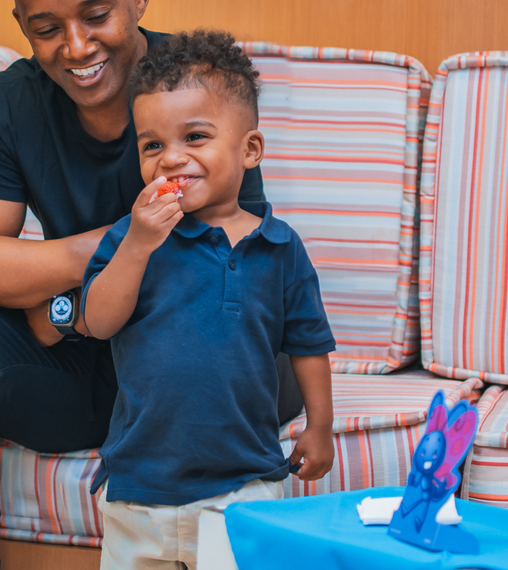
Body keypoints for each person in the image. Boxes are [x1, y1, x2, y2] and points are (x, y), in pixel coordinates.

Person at [0, 0, 300, 570]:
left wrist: (58, 306)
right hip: (92, 368)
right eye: (47, 29)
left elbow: (226, 271)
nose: (77, 46)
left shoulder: (197, 86)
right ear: (23, 26)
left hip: (207, 374)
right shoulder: (9, 104)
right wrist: (106, 265)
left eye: (96, 15)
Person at [82, 30, 336, 569]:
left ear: (249, 150)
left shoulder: (280, 247)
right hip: (138, 488)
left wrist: (319, 426)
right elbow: (99, 322)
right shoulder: (132, 237)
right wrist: (137, 245)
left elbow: (309, 343)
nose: (171, 159)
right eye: (153, 145)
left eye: (194, 137)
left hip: (244, 484)